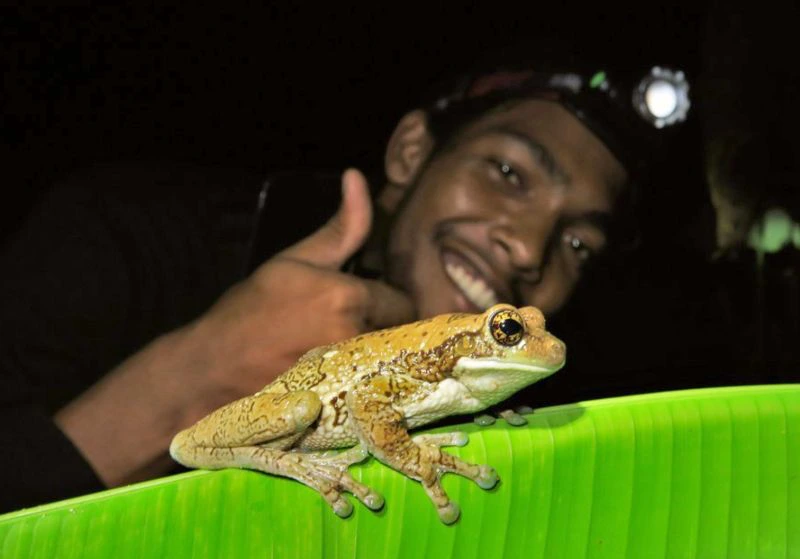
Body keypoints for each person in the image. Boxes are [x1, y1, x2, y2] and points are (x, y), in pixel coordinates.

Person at [0, 45, 685, 513]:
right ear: (410, 151)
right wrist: (196, 369)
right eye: (507, 172)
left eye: (579, 244)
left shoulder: (464, 370)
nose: (530, 249)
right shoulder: (127, 231)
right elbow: (374, 402)